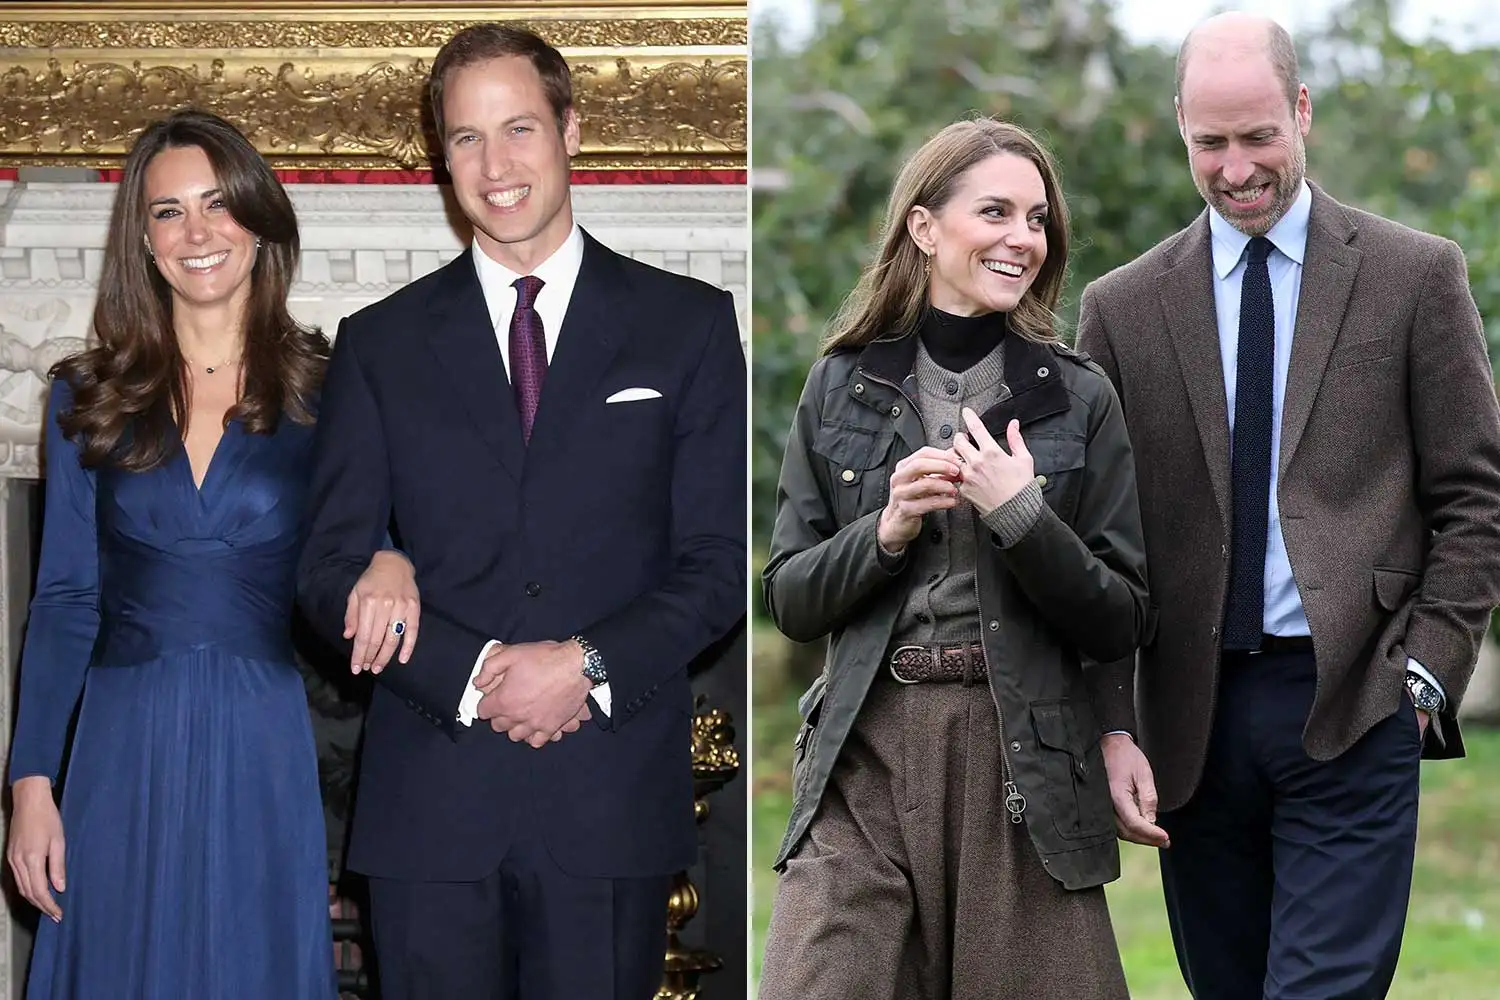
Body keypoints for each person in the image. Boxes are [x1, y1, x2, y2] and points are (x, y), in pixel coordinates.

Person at [295, 23, 746, 1000]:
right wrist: (470, 673)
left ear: (570, 130)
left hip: (609, 803)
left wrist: (583, 666)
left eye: (519, 129)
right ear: (442, 156)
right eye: (467, 137)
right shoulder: (378, 344)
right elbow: (326, 570)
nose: (495, 166)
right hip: (432, 807)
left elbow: (719, 566)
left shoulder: (691, 325)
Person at [1076, 13, 1500, 999]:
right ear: (1181, 129)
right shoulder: (1121, 308)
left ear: (1302, 111)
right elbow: (1096, 539)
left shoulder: (1414, 275)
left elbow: (1476, 495)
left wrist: (1425, 677)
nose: (1237, 168)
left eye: (1259, 135)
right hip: (1191, 720)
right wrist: (1113, 723)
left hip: (1356, 701)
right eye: (1211, 142)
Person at [3, 109, 421, 999]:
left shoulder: (328, 389)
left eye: (218, 204)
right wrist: (31, 783)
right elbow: (66, 599)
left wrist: (395, 561)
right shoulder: (86, 395)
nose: (197, 233)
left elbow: (366, 545)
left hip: (257, 734)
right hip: (120, 740)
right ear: (143, 240)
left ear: (258, 222)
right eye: (169, 212)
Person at [757, 118, 1149, 1000]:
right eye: (995, 212)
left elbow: (1121, 616)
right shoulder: (840, 384)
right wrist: (886, 530)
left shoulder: (1079, 397)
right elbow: (789, 597)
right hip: (864, 751)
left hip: (1022, 758)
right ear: (925, 228)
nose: (1022, 238)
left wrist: (1023, 516)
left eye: (1037, 219)